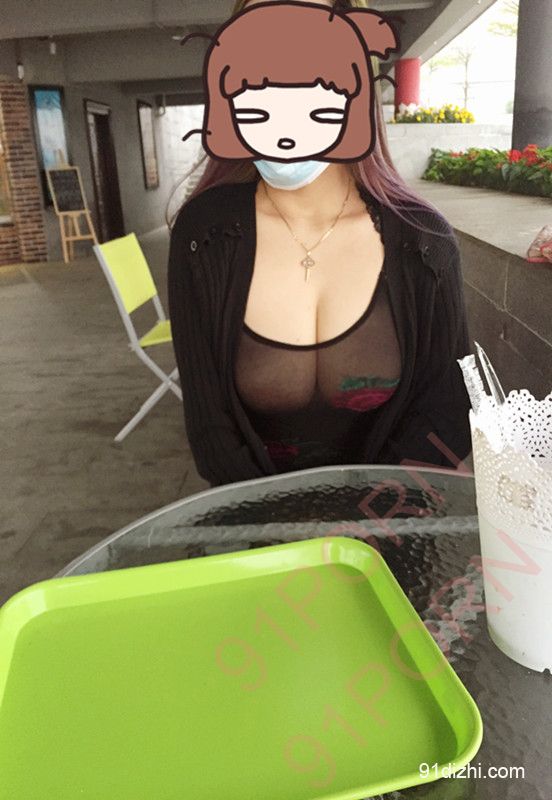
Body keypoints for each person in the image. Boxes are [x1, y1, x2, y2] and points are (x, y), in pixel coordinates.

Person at [167, 0, 473, 488]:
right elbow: (211, 430)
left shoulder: (424, 242)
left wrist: (364, 525)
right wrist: (282, 526)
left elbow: (447, 413)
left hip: (391, 524)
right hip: (256, 524)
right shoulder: (203, 236)